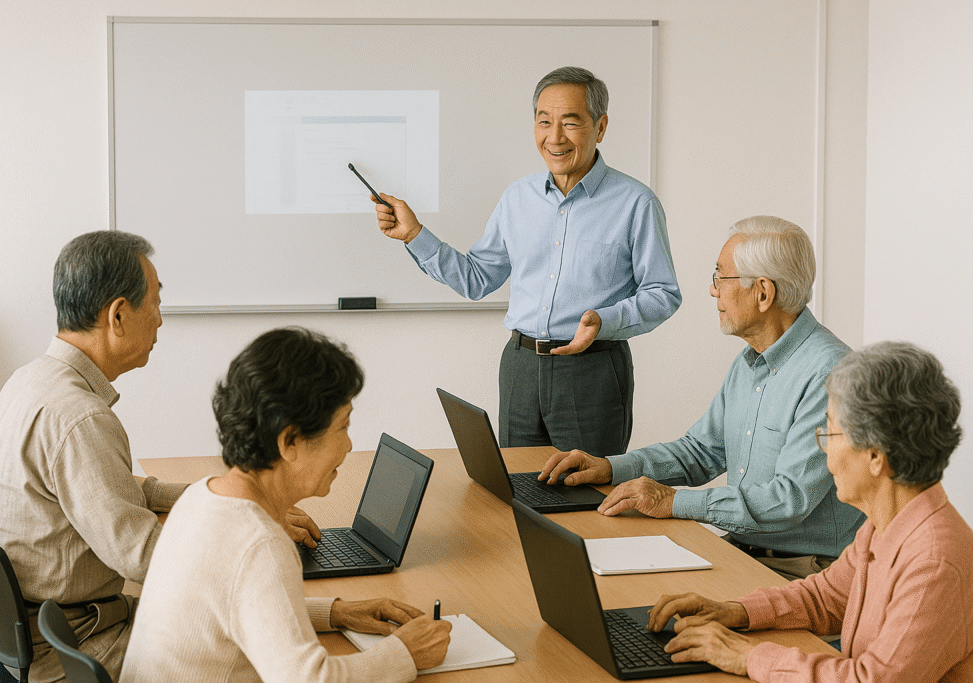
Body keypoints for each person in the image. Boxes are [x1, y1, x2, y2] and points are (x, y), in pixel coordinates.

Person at [371, 66, 681, 457]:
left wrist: (605, 320)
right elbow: (477, 279)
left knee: (587, 488)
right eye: (544, 121)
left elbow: (663, 293)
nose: (555, 137)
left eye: (570, 123)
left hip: (592, 370)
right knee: (517, 485)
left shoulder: (636, 202)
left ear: (600, 127)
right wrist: (415, 234)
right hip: (520, 368)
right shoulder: (517, 198)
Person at [119, 328, 451, 683]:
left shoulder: (201, 497)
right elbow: (309, 680)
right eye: (343, 427)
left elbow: (238, 607)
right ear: (290, 441)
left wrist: (336, 612)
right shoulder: (260, 544)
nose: (350, 445)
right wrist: (405, 653)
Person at [540, 216, 864, 579]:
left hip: (805, 570)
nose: (713, 291)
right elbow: (702, 451)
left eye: (720, 278)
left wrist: (672, 501)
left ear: (763, 293)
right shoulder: (750, 362)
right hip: (741, 548)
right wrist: (611, 468)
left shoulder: (831, 374)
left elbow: (787, 500)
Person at [646, 341, 973, 681]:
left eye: (830, 432)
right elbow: (825, 597)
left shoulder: (934, 563)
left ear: (876, 456)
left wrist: (750, 656)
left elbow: (871, 680)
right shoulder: (887, 524)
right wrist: (734, 611)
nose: (825, 450)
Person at [0, 231, 190, 682]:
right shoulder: (79, 418)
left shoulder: (29, 381)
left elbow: (110, 489)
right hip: (77, 647)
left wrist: (215, 497)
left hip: (38, 635)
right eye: (155, 302)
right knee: (242, 646)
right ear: (118, 315)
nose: (160, 320)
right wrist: (247, 533)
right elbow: (146, 558)